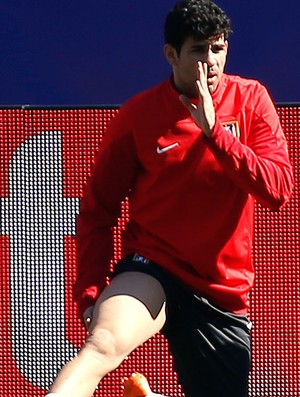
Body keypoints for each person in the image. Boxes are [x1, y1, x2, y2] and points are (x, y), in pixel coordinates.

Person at [46, 0, 293, 396]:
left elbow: (278, 189)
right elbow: (98, 210)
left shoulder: (252, 100)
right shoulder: (139, 115)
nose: (209, 61)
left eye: (218, 48)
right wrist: (91, 292)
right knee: (103, 345)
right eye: (197, 49)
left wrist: (218, 136)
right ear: (171, 54)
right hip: (153, 268)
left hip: (221, 290)